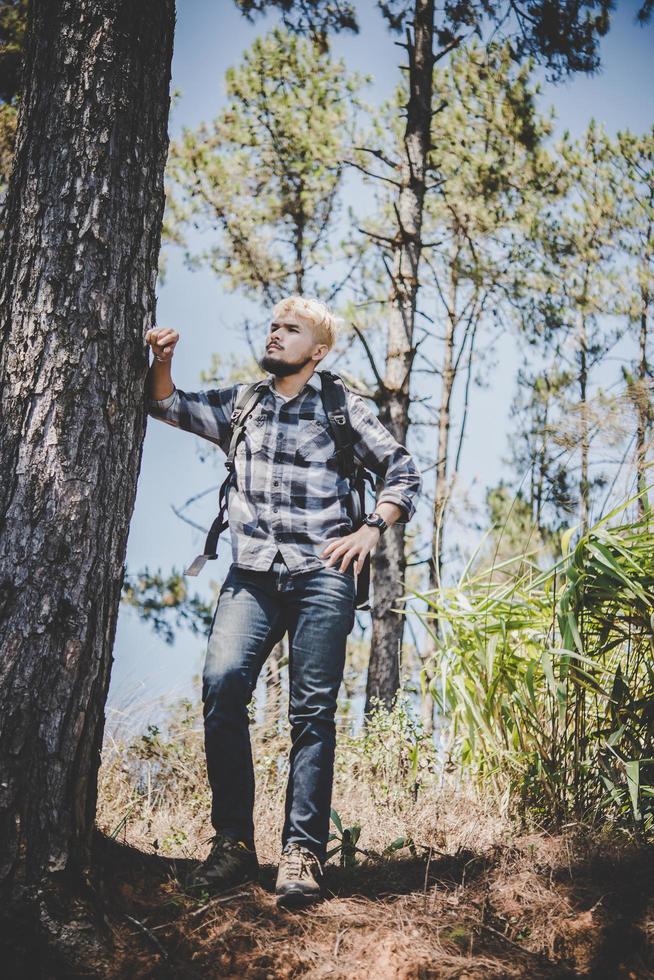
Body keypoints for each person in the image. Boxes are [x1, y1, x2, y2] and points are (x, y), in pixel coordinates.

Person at [144, 295, 422, 908]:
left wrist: (371, 528)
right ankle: (234, 848)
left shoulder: (340, 405)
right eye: (273, 326)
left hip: (323, 574)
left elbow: (402, 470)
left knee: (311, 714)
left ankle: (302, 854)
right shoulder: (244, 404)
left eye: (290, 330)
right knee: (222, 686)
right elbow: (167, 404)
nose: (275, 335)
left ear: (316, 350)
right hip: (252, 575)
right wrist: (163, 361)